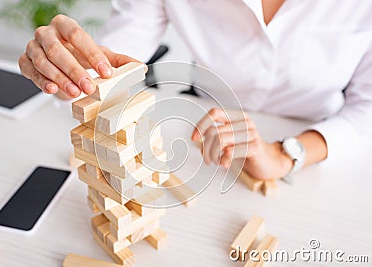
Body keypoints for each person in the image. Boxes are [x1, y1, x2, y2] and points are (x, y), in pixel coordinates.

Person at [19, 0, 372, 180]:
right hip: (201, 136)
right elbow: (106, 69)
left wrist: (286, 154)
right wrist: (68, 70)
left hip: (321, 144)